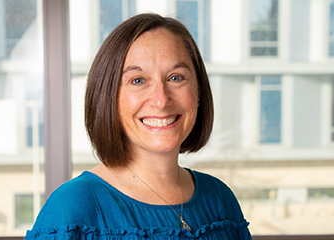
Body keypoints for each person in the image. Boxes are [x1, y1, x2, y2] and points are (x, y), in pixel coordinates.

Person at [25, 13, 252, 239]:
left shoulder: (221, 201)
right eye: (138, 80)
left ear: (199, 92)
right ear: (109, 98)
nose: (161, 99)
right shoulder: (70, 210)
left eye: (176, 78)